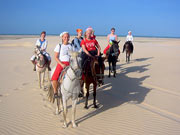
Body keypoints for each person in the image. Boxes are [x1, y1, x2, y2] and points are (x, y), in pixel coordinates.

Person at [51, 32, 73, 98]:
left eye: (67, 37)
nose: (66, 38)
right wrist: (61, 64)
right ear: (62, 38)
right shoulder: (59, 46)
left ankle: (79, 90)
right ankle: (55, 92)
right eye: (65, 37)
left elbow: (73, 55)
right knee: (54, 77)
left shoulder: (71, 45)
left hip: (70, 63)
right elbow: (56, 57)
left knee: (80, 75)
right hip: (62, 63)